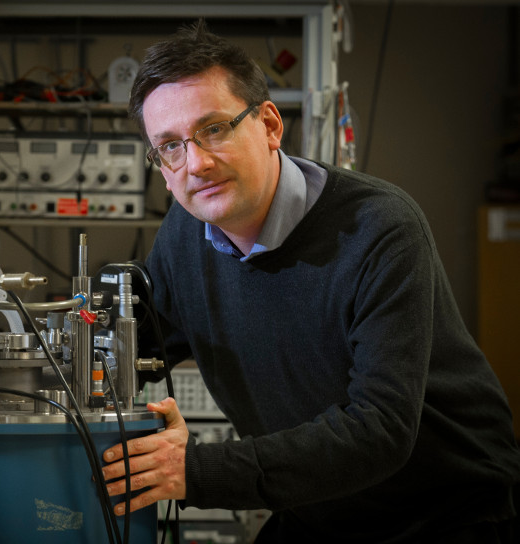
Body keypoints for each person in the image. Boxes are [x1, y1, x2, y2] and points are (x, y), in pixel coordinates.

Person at [100, 20, 520, 543]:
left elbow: (381, 429)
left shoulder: (379, 228)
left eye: (214, 129)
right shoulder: (184, 235)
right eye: (169, 147)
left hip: (442, 512)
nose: (197, 164)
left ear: (270, 125)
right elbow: (139, 351)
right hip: (316, 507)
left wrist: (194, 470)